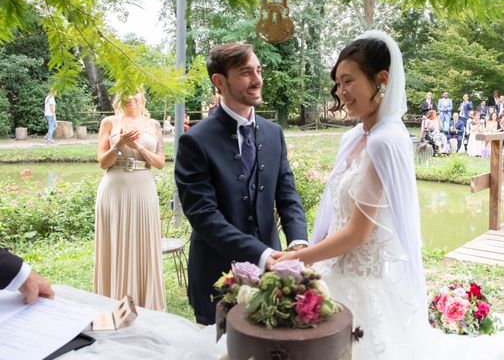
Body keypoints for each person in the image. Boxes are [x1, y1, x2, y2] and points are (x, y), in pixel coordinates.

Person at [275, 31, 430, 358]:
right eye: (337, 83)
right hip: (331, 273)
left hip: (359, 286)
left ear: (382, 79)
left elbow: (358, 233)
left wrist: (294, 259)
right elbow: (334, 214)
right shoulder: (355, 137)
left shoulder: (385, 141)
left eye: (348, 81)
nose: (341, 92)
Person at [174, 43, 308, 325]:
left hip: (273, 278)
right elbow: (204, 216)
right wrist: (263, 255)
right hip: (215, 278)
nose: (257, 79)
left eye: (258, 70)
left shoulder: (274, 133)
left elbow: (287, 193)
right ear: (219, 81)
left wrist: (298, 243)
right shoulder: (195, 141)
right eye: (246, 72)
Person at [93, 89, 166, 311]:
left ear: (142, 96)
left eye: (135, 93)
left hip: (143, 189)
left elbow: (160, 163)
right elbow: (103, 162)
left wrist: (138, 147)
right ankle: (112, 301)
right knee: (114, 243)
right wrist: (119, 143)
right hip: (114, 189)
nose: (130, 97)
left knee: (143, 242)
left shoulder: (153, 125)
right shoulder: (109, 122)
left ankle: (146, 303)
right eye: (126, 93)